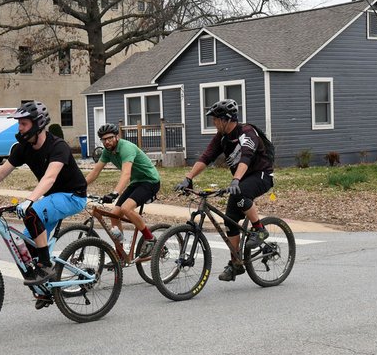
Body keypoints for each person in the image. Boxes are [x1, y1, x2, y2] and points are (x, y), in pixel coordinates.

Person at [0, 101, 88, 307]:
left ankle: (46, 265)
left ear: (38, 124)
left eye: (23, 124)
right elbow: (3, 171)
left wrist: (30, 200)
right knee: (26, 248)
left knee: (33, 213)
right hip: (50, 198)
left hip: (72, 196)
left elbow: (49, 178)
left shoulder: (58, 146)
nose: (19, 128)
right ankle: (45, 291)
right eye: (19, 124)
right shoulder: (23, 148)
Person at [175, 99, 274, 281]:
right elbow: (206, 157)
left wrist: (235, 180)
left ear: (227, 119)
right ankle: (235, 263)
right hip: (241, 179)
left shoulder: (247, 132)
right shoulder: (221, 137)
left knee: (242, 192)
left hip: (261, 175)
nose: (213, 123)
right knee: (230, 220)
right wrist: (188, 178)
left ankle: (260, 229)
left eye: (215, 119)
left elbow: (246, 156)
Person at [85, 123, 161, 257]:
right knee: (114, 214)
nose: (107, 142)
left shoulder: (126, 148)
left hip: (150, 181)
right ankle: (120, 255)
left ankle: (150, 238)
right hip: (136, 182)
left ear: (117, 137)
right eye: (104, 140)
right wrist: (79, 187)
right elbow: (95, 171)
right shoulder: (107, 152)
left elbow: (126, 174)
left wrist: (115, 193)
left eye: (110, 138)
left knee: (126, 209)